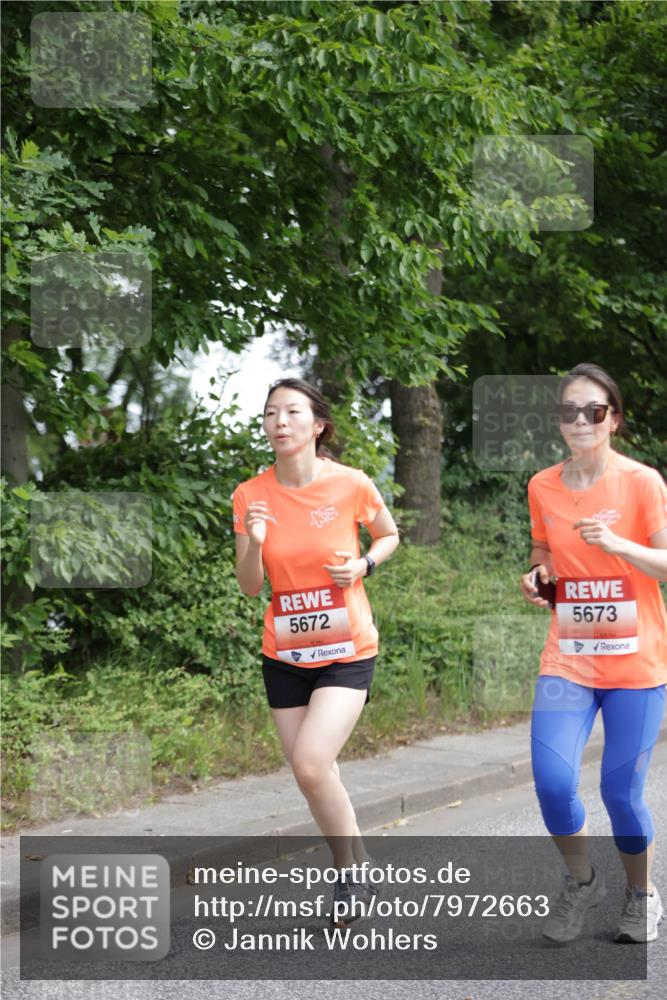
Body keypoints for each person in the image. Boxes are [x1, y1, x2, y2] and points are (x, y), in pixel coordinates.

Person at [232, 377, 400, 925]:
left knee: (310, 763)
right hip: (284, 653)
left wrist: (363, 565)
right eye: (270, 413)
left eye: (291, 412)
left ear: (318, 425)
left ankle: (349, 873)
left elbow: (388, 535)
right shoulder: (250, 495)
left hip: (347, 648)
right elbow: (250, 586)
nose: (279, 422)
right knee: (315, 771)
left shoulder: (350, 484)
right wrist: (255, 544)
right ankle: (361, 866)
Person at [520, 362, 667, 945]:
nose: (580, 420)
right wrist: (537, 576)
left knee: (620, 793)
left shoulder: (642, 482)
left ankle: (642, 893)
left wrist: (619, 545)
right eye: (569, 411)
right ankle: (582, 881)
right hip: (570, 657)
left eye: (594, 410)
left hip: (636, 664)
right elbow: (542, 551)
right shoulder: (542, 485)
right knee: (553, 782)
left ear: (614, 420)